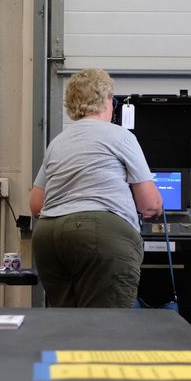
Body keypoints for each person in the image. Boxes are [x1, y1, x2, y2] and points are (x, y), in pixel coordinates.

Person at [29, 68, 162, 308]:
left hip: (48, 237)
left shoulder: (58, 142)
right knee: (105, 330)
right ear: (106, 100)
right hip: (101, 234)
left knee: (68, 326)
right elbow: (149, 204)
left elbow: (36, 205)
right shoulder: (120, 136)